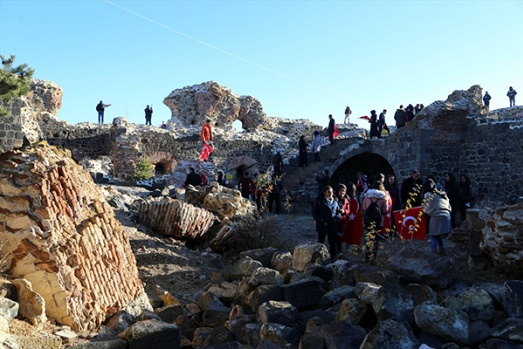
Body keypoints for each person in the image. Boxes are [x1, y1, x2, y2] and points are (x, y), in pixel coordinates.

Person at [423, 179, 452, 255]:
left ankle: (434, 251)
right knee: (437, 234)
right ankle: (441, 248)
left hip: (437, 216)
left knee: (432, 234)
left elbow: (426, 207)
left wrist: (424, 210)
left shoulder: (427, 194)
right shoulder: (441, 193)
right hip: (447, 215)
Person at [312, 185, 340, 261]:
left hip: (332, 224)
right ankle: (317, 258)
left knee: (332, 243)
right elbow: (315, 213)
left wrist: (337, 218)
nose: (330, 193)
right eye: (328, 192)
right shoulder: (319, 201)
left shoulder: (335, 201)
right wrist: (322, 221)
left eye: (331, 191)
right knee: (320, 242)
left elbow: (338, 211)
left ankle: (332, 257)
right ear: (324, 193)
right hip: (322, 225)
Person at [362, 181, 389, 260]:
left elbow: (364, 207)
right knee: (376, 239)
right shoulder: (383, 197)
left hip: (369, 220)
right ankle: (373, 257)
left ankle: (367, 256)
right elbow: (385, 210)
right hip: (378, 220)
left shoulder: (367, 196)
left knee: (369, 237)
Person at [343, 182, 363, 248]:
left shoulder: (351, 199)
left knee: (348, 230)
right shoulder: (354, 199)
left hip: (350, 217)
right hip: (352, 217)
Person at [334, 183, 350, 256]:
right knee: (335, 236)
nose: (342, 192)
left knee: (340, 235)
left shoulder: (346, 200)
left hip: (342, 220)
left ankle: (339, 250)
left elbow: (348, 209)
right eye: (341, 190)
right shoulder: (334, 199)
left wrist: (344, 211)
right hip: (334, 220)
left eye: (344, 191)